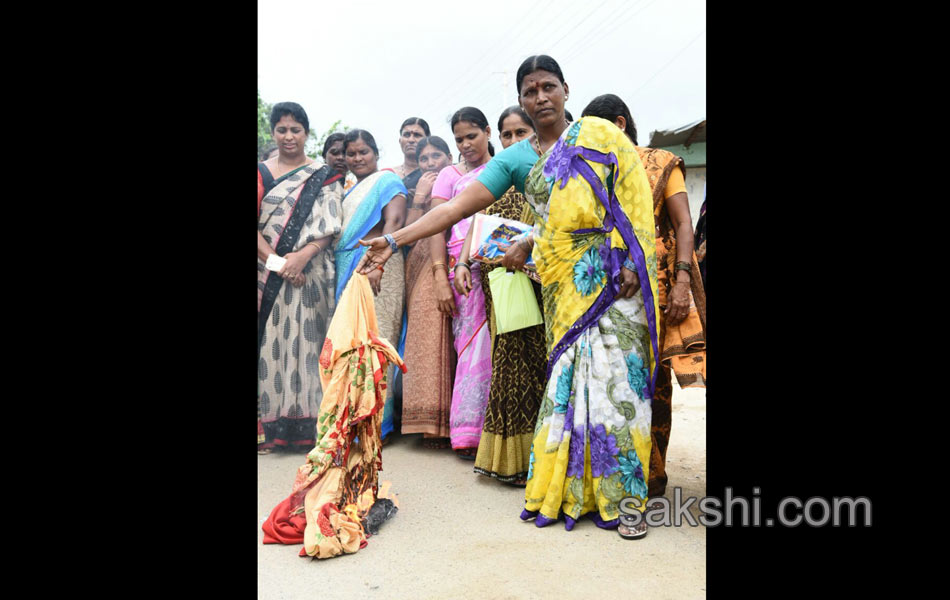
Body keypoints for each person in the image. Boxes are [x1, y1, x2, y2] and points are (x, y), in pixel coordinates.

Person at [357, 56, 658, 539]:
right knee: (570, 387)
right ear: (520, 99)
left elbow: (632, 195)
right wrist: (395, 240)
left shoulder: (598, 135)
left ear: (565, 89)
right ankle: (572, 492)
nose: (540, 97)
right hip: (563, 286)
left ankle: (624, 500)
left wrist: (629, 261)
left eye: (548, 87)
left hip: (613, 282)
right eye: (529, 90)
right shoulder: (517, 159)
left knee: (617, 389)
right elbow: (457, 206)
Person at [582, 93, 707, 499]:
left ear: (619, 125)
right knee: (611, 379)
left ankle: (651, 474)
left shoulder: (659, 162)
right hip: (606, 288)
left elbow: (683, 223)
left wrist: (683, 281)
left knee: (653, 383)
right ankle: (613, 472)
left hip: (657, 286)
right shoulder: (596, 171)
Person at [456, 106, 547, 485]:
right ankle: (511, 461)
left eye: (520, 132)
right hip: (501, 280)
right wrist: (462, 263)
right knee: (509, 365)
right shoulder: (494, 176)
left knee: (542, 362)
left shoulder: (548, 176)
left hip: (541, 279)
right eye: (507, 135)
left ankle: (546, 459)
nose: (512, 142)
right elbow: (475, 220)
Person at [258, 102, 345, 453]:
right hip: (269, 275)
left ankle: (311, 429)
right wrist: (281, 264)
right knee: (271, 346)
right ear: (273, 133)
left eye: (295, 130)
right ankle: (273, 428)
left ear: (306, 133)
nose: (288, 136)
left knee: (310, 344)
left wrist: (302, 257)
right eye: (281, 129)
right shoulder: (262, 173)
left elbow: (330, 225)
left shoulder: (324, 175)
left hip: (312, 273)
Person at [427, 107, 496, 458]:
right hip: (462, 268)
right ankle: (469, 431)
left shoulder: (501, 171)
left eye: (472, 136)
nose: (466, 144)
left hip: (501, 263)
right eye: (459, 139)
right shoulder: (449, 175)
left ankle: (500, 432)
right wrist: (441, 273)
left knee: (503, 347)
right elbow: (439, 223)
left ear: (487, 131)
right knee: (471, 347)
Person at [335, 129, 408, 441]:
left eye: (363, 152)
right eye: (351, 153)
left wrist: (379, 263)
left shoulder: (387, 181)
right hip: (349, 266)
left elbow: (394, 223)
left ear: (376, 153)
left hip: (379, 264)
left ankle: (378, 423)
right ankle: (355, 419)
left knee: (377, 341)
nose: (357, 158)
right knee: (353, 344)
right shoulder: (351, 190)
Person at [401, 136, 457, 447]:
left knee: (448, 336)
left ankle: (449, 423)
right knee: (426, 335)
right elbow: (406, 235)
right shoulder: (416, 189)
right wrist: (420, 197)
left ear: (450, 157)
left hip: (453, 256)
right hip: (422, 261)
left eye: (437, 156)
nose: (430, 163)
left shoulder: (459, 183)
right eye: (424, 158)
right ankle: (425, 423)